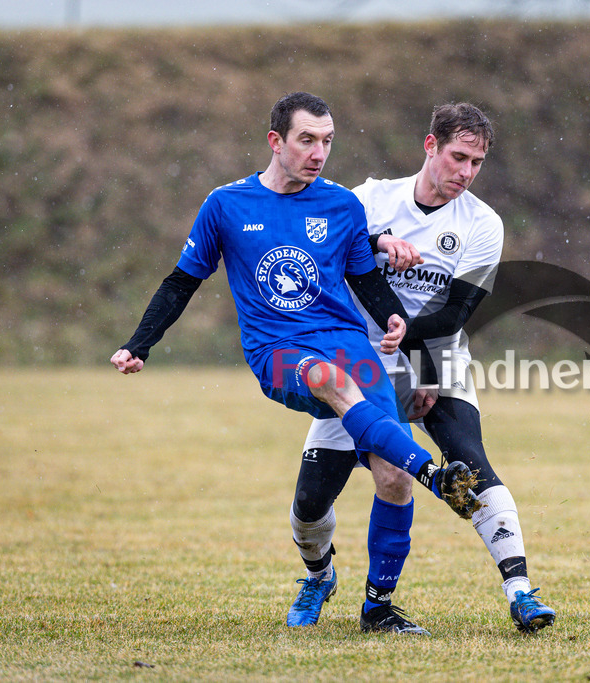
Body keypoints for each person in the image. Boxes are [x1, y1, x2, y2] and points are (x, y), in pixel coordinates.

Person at [109, 91, 481, 636]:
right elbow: (182, 280)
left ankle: (378, 607)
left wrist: (395, 319)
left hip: (348, 344)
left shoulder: (342, 206)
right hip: (278, 349)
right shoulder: (226, 205)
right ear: (276, 141)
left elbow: (364, 278)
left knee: (393, 478)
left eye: (327, 141)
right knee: (331, 393)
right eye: (307, 140)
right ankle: (418, 489)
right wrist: (139, 343)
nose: (319, 152)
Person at [289, 103, 556, 634]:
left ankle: (519, 591)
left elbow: (454, 313)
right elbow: (319, 250)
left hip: (438, 354)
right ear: (430, 147)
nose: (465, 172)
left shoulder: (482, 224)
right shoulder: (370, 199)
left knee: (469, 462)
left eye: (477, 163)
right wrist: (375, 242)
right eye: (458, 157)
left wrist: (422, 369)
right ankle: (319, 575)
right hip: (356, 360)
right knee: (310, 502)